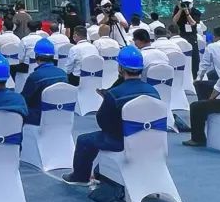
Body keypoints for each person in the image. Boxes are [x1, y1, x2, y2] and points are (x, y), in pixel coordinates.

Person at [62, 46, 159, 185]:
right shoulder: (153, 91)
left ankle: (80, 177)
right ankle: (101, 171)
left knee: (84, 140)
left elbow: (103, 122)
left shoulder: (114, 94)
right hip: (150, 139)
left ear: (120, 68)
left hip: (121, 140)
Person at [21, 39, 68, 126]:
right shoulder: (63, 74)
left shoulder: (35, 76)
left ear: (36, 56)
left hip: (37, 119)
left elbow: (23, 100)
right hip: (60, 116)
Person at [172, 0, 202, 75]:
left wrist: (187, 13)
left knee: (194, 56)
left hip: (191, 36)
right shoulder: (178, 9)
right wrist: (180, 10)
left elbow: (193, 23)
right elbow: (174, 21)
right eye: (185, 3)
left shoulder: (196, 12)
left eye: (188, 3)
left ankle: (194, 74)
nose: (187, 5)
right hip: (181, 35)